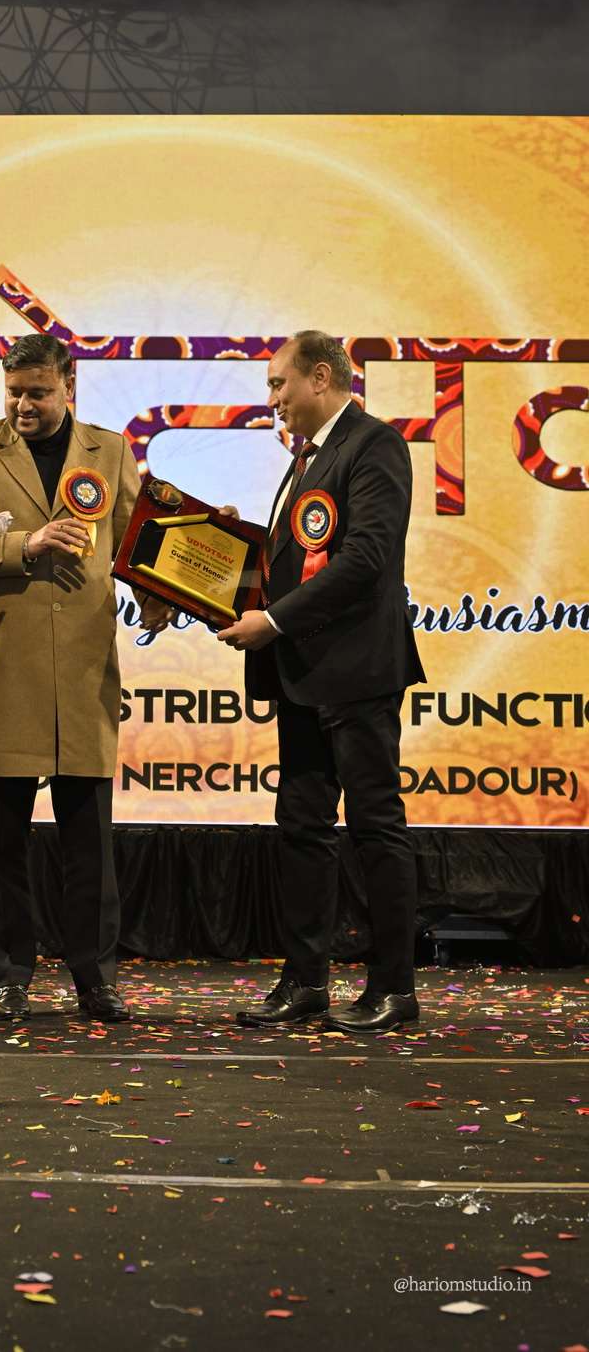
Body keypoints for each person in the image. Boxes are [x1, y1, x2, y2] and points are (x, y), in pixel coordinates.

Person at [0, 332, 171, 1023]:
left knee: (89, 846)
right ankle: (8, 977)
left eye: (37, 392)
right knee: (1, 844)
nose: (23, 406)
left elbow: (137, 543)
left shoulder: (110, 450)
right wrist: (23, 544)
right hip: (3, 670)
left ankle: (96, 978)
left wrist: (163, 590)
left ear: (69, 385)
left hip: (84, 672)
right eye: (14, 393)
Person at [217, 330, 425, 1034]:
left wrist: (273, 621)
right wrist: (225, 552)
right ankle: (305, 982)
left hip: (357, 672)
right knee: (302, 828)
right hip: (304, 675)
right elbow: (297, 557)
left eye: (279, 384)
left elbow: (366, 558)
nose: (271, 399)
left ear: (322, 377)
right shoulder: (308, 457)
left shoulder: (374, 444)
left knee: (375, 826)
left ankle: (394, 989)